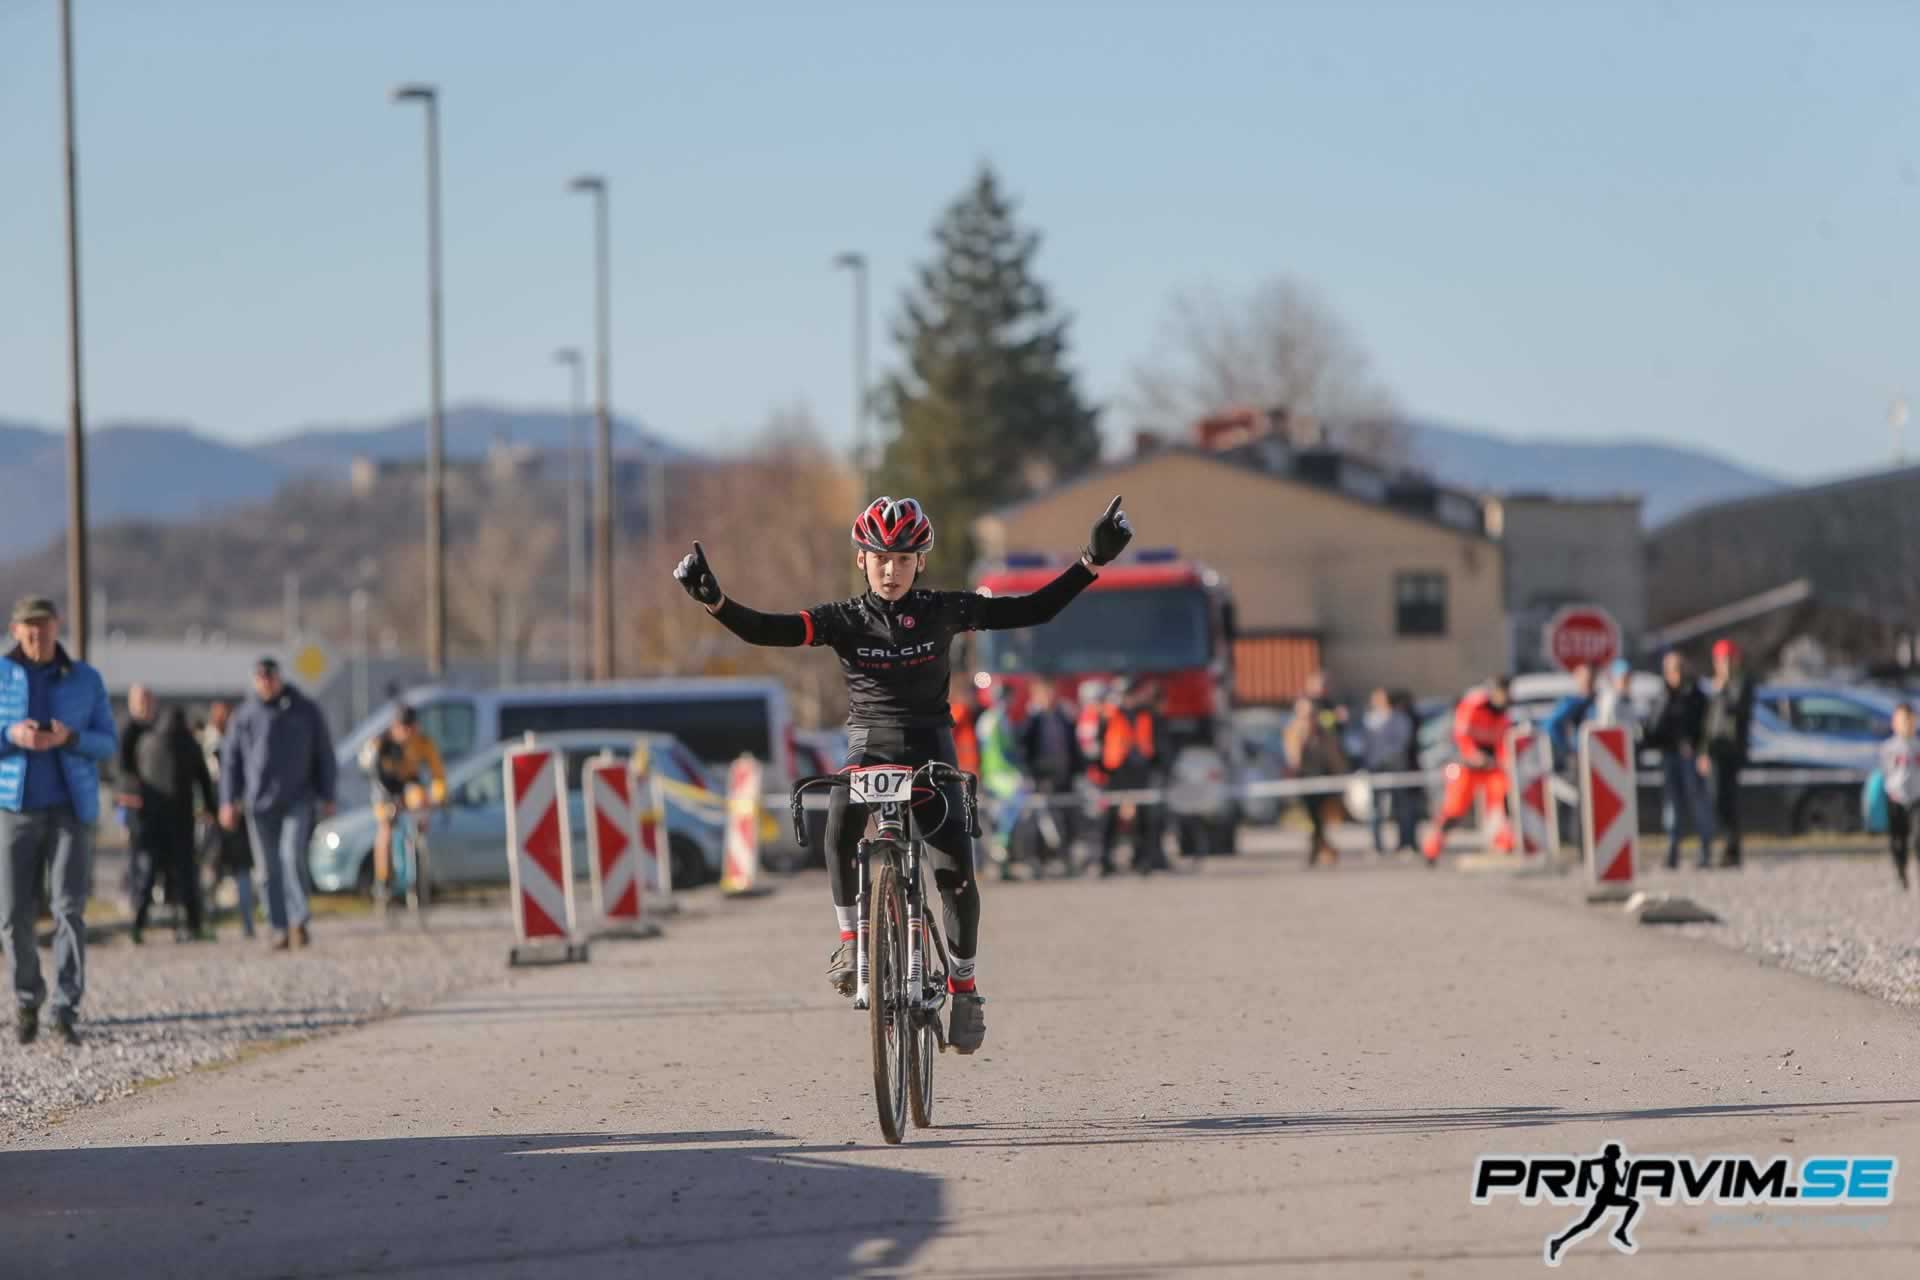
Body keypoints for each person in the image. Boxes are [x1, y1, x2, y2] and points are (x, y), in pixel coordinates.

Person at [674, 493, 1133, 1055]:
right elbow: (768, 630)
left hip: (929, 746)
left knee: (955, 873)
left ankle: (964, 987)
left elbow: (1033, 609)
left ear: (920, 562)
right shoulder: (843, 619)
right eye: (880, 559)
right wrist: (717, 603)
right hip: (869, 746)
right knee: (840, 819)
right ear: (861, 560)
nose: (890, 571)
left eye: (902, 560)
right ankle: (852, 942)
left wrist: (1091, 561)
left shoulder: (943, 610)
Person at [0, 596, 116, 1046]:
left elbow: (108, 743)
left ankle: (66, 1008)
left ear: (58, 625)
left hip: (71, 810)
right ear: (15, 630)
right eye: (28, 626)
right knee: (13, 914)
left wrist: (71, 738)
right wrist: (11, 734)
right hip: (15, 808)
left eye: (44, 624)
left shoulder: (86, 679)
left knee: (69, 910)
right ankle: (28, 998)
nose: (37, 633)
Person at [219, 656, 338, 951]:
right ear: (255, 681)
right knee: (266, 868)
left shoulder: (304, 710)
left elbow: (324, 753)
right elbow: (231, 761)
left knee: (290, 855)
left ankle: (299, 920)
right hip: (259, 803)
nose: (266, 683)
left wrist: (328, 794)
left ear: (279, 678)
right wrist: (227, 801)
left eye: (270, 677)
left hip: (298, 798)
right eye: (261, 678)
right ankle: (278, 926)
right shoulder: (245, 716)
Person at [131, 706, 217, 943]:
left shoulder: (147, 742)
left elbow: (137, 776)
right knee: (186, 874)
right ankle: (194, 925)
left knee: (148, 874)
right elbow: (204, 780)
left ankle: (137, 925)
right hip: (181, 821)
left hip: (152, 821)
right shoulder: (189, 744)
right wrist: (212, 810)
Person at [360, 703, 447, 910]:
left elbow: (438, 774)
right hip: (384, 787)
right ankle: (383, 881)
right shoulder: (381, 742)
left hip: (408, 783)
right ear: (395, 726)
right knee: (386, 826)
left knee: (420, 803)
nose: (408, 733)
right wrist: (392, 804)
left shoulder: (423, 742)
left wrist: (437, 797)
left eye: (411, 728)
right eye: (404, 728)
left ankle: (418, 871)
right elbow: (373, 773)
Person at [1421, 675, 1513, 862]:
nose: (1503, 697)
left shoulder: (1504, 713)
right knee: (1454, 809)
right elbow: (1461, 735)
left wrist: (1504, 760)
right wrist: (1473, 755)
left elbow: (1504, 741)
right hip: (1465, 765)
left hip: (1491, 766)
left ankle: (1504, 842)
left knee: (1501, 800)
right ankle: (1433, 846)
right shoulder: (1474, 705)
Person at [1644, 651, 1713, 870]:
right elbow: (1653, 728)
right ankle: (1672, 850)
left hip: (1691, 756)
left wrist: (1698, 749)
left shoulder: (1696, 694)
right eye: (1671, 670)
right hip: (1669, 755)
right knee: (1671, 804)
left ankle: (1705, 849)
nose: (1675, 674)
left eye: (1678, 669)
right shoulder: (1662, 695)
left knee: (1698, 801)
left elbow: (1706, 727)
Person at [1096, 677, 1170, 876]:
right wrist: (1101, 771)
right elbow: (1100, 744)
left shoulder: (1147, 716)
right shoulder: (1110, 716)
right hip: (1116, 773)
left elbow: (1157, 744)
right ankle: (1105, 859)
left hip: (1140, 772)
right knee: (1110, 818)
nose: (1128, 699)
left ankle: (1142, 858)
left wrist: (1158, 768)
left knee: (1144, 818)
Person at [198, 699, 258, 938]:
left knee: (233, 871)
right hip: (220, 815)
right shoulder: (218, 744)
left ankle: (242, 923)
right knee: (215, 872)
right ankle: (212, 923)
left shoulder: (232, 744)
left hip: (230, 815)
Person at [1700, 637, 1756, 868]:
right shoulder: (1714, 686)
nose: (1723, 665)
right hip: (1714, 750)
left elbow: (1736, 708)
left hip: (1731, 751)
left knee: (1727, 800)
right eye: (1720, 661)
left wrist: (1722, 689)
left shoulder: (1741, 683)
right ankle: (1724, 845)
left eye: (1726, 660)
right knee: (1715, 799)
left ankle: (1731, 849)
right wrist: (1703, 751)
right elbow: (1708, 723)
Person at [1018, 681, 1081, 869]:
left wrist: (1077, 770)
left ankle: (1064, 858)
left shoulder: (1064, 718)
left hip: (1063, 776)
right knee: (1041, 819)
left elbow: (1073, 747)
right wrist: (1032, 773)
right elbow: (1024, 748)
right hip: (1042, 777)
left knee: (1066, 817)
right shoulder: (1032, 721)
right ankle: (1038, 858)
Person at [1286, 693, 1349, 866]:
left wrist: (1341, 777)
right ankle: (1322, 850)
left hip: (1324, 782)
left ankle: (1318, 851)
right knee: (1314, 820)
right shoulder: (1294, 733)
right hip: (1304, 783)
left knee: (1319, 820)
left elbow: (1334, 758)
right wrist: (1299, 739)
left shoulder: (1324, 734)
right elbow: (1294, 761)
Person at [1361, 687, 1412, 855]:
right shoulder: (1369, 720)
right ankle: (1377, 845)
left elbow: (1402, 742)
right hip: (1375, 769)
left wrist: (1388, 758)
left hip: (1395, 769)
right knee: (1375, 809)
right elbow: (1365, 745)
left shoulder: (1399, 719)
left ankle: (1405, 843)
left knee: (1401, 808)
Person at [1880, 703, 1919, 890]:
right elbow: (1887, 773)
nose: (1906, 725)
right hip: (1896, 798)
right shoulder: (1888, 747)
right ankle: (1900, 872)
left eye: (1910, 721)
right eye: (1903, 721)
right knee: (1898, 839)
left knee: (1918, 837)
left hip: (1917, 797)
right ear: (1895, 723)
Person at [1541, 663, 1596, 770]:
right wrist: (1568, 749)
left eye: (1590, 677)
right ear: (1577, 678)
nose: (1588, 681)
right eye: (1585, 678)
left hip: (1601, 755)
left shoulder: (1600, 700)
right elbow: (1551, 725)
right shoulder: (1573, 702)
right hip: (1582, 756)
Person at [1594, 659, 1639, 733]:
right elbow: (1605, 727)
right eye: (1623, 678)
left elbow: (1633, 725)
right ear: (1614, 678)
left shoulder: (1627, 699)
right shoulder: (1608, 699)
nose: (1627, 682)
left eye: (1629, 678)